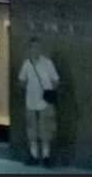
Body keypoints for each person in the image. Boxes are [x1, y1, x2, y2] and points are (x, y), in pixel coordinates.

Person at [18, 36, 60, 167]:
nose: (35, 50)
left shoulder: (48, 63)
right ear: (29, 49)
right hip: (30, 102)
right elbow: (21, 80)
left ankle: (46, 156)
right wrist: (27, 87)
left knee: (45, 131)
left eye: (37, 47)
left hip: (45, 103)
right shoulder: (26, 64)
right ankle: (34, 155)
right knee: (32, 130)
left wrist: (49, 91)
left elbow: (56, 80)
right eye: (33, 47)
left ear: (41, 48)